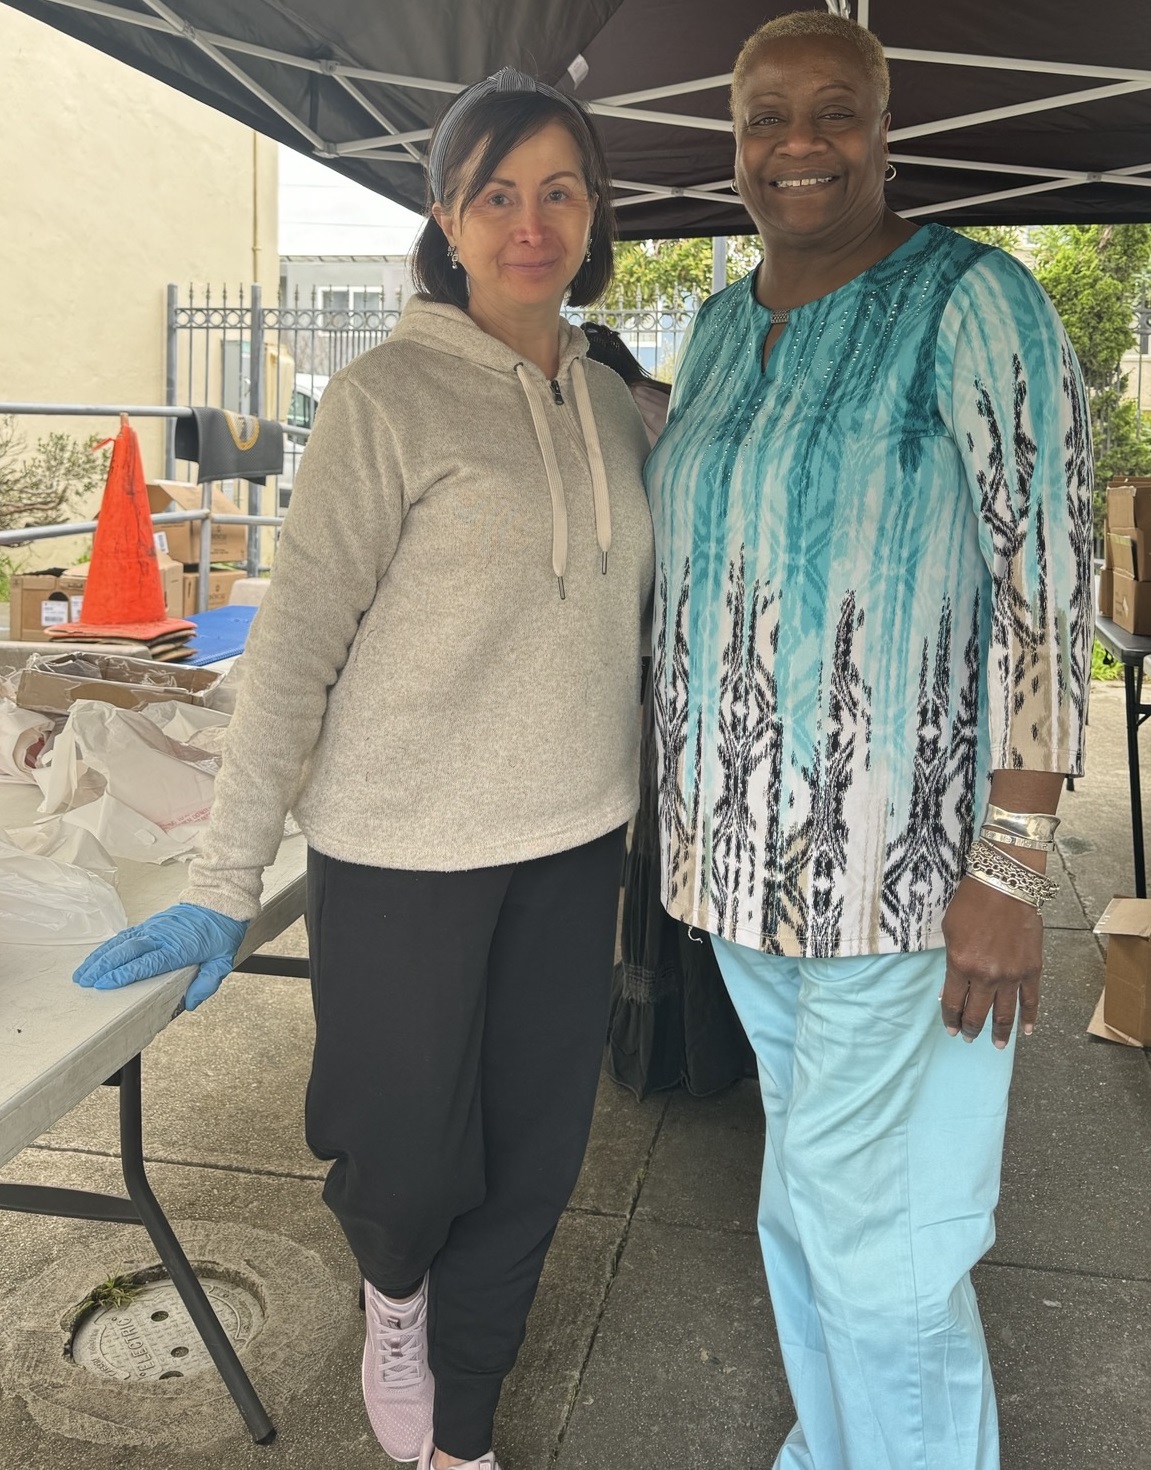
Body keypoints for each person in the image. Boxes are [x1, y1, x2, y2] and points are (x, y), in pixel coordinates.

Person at [73, 69, 654, 1470]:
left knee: (534, 1160)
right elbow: (291, 653)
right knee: (398, 1155)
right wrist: (225, 877)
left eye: (558, 190)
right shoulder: (385, 401)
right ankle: (391, 1295)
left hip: (577, 842)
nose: (531, 221)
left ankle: (462, 1418)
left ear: (592, 217)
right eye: (495, 193)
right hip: (401, 852)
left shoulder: (616, 400)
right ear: (444, 218)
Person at [644, 12, 1093, 1470]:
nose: (795, 145)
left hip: (906, 894)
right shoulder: (716, 327)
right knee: (802, 1207)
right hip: (736, 887)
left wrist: (1012, 866)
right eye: (764, 117)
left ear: (882, 126)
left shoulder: (971, 302)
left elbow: (1044, 591)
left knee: (888, 1250)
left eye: (830, 113)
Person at [582, 322, 756, 1099]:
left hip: (654, 672)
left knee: (659, 868)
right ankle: (700, 1041)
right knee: (682, 868)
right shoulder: (670, 404)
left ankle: (664, 1044)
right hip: (697, 669)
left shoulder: (616, 412)